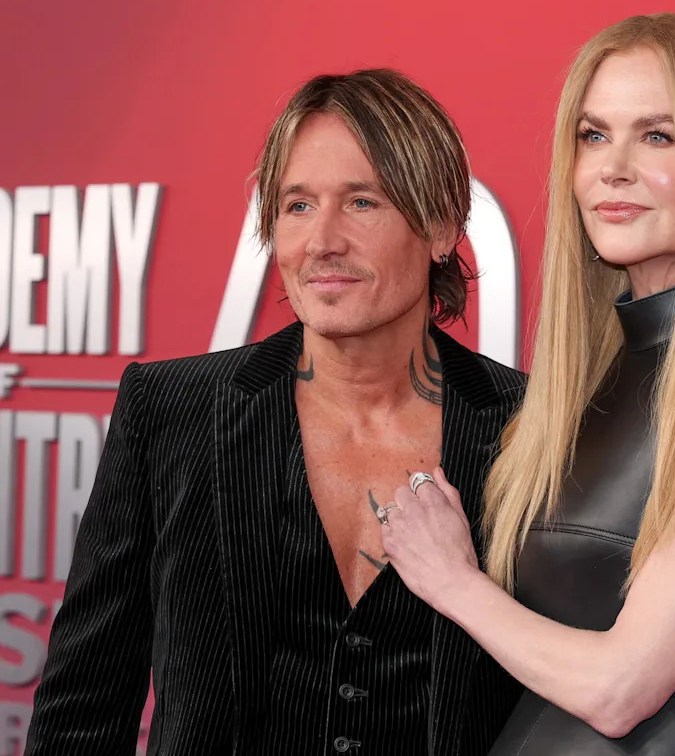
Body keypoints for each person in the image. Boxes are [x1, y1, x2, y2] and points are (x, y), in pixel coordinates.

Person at [379, 14, 675, 755]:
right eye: (594, 135)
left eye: (658, 135)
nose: (612, 167)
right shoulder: (582, 385)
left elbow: (620, 688)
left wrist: (451, 580)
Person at [25, 69, 523, 756]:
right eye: (296, 206)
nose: (321, 242)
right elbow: (83, 707)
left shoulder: (532, 427)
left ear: (441, 225)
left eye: (362, 202)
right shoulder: (171, 413)